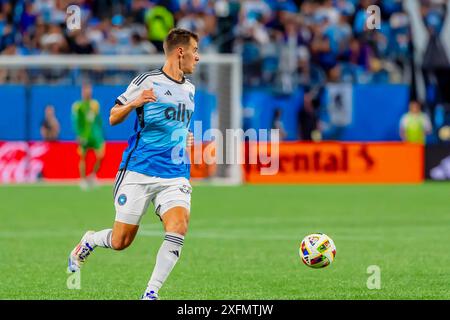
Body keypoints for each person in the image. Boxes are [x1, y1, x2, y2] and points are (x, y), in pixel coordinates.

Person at [67, 28, 199, 300]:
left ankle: (151, 293)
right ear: (180, 51)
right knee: (121, 241)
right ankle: (90, 240)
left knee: (178, 226)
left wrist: (183, 136)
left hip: (174, 174)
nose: (198, 58)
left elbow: (177, 124)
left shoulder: (190, 89)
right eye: (195, 51)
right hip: (138, 170)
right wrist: (136, 102)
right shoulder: (147, 81)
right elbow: (114, 116)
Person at [71, 83, 105, 189]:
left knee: (101, 156)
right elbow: (76, 121)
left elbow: (98, 120)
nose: (88, 92)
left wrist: (101, 133)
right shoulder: (78, 106)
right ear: (82, 92)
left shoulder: (95, 104)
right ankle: (82, 180)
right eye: (86, 90)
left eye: (89, 90)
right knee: (82, 157)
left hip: (95, 136)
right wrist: (78, 134)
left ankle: (92, 176)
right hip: (84, 136)